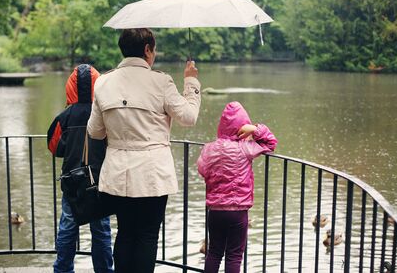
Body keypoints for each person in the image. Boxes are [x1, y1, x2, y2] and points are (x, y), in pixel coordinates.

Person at [87, 28, 201, 273]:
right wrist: (190, 82)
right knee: (147, 236)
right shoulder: (161, 81)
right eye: (154, 49)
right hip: (152, 175)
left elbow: (95, 131)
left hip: (118, 174)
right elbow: (189, 117)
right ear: (147, 50)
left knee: (125, 233)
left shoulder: (104, 82)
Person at [47, 64, 113, 273]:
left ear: (70, 87)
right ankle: (104, 270)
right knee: (101, 230)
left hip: (72, 181)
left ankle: (63, 269)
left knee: (67, 228)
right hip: (98, 181)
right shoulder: (104, 113)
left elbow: (54, 147)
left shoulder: (64, 117)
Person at [197, 101, 277, 273]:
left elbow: (203, 170)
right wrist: (255, 129)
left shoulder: (209, 148)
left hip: (215, 210)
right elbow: (271, 143)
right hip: (238, 212)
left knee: (214, 252)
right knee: (234, 256)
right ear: (243, 126)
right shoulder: (245, 148)